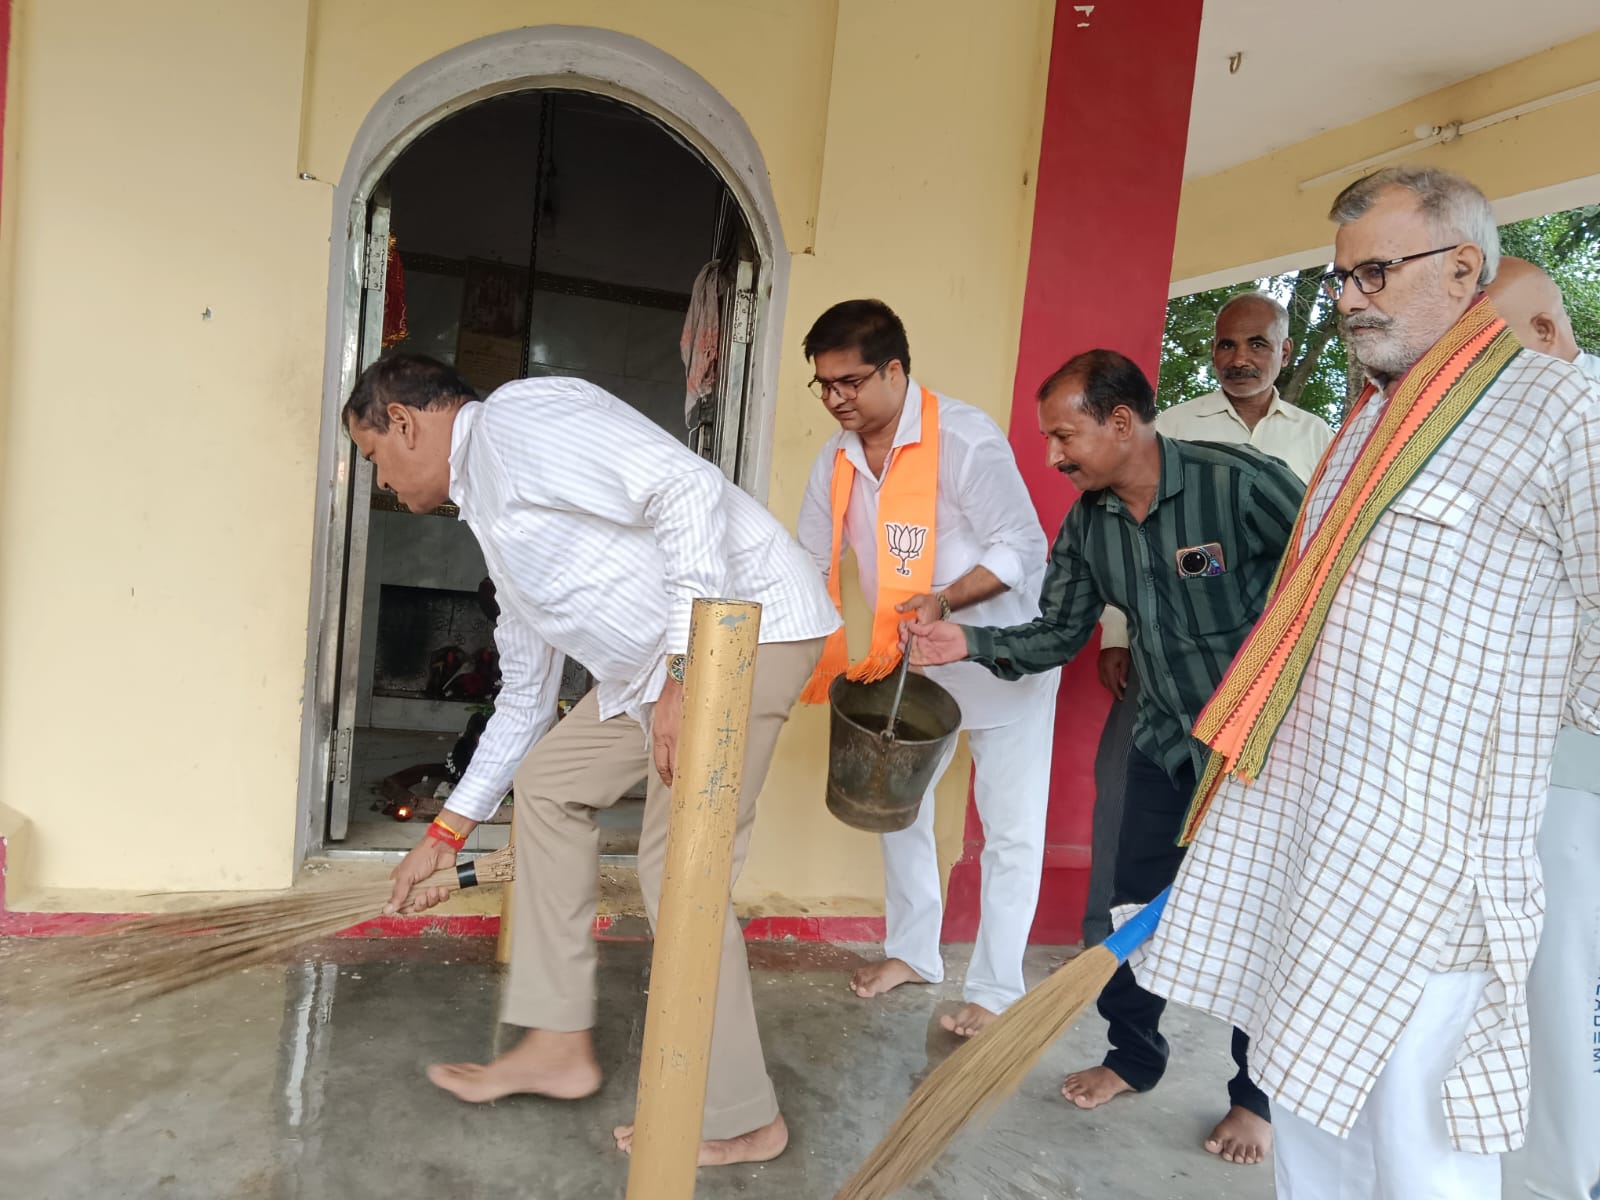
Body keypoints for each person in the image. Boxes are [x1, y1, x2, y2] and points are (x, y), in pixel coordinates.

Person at [1131, 166, 1600, 1200]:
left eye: (1373, 273)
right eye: (1340, 276)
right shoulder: (1367, 426)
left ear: (1464, 269)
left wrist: (1543, 707)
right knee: (1308, 1125)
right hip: (1311, 843)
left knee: (1419, 1153)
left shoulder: (1560, 406)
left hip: (1428, 867)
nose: (1348, 298)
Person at [350, 354, 841, 1166]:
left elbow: (684, 486)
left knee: (678, 866)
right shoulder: (492, 515)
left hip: (749, 632)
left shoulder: (518, 420)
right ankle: (556, 1044)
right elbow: (523, 697)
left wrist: (689, 671)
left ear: (402, 422)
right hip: (653, 674)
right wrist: (445, 833)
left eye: (374, 457)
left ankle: (742, 1116)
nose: (383, 481)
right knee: (549, 783)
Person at [905, 348, 1306, 1164]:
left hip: (1267, 750)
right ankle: (1135, 1055)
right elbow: (1058, 633)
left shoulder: (1240, 484)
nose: (1055, 456)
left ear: (1122, 423)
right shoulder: (1089, 525)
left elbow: (1333, 576)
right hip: (1164, 741)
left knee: (1270, 921)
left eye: (1065, 436)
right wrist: (967, 641)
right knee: (1129, 909)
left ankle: (1255, 1097)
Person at [795, 300, 1057, 1038]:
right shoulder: (837, 459)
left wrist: (944, 601)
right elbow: (809, 559)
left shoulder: (963, 439)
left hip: (1000, 655)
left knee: (1009, 828)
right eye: (824, 385)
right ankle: (914, 952)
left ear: (894, 371)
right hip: (909, 659)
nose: (835, 399)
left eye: (850, 381)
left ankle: (997, 988)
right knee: (894, 804)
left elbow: (1022, 545)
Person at [1087, 294, 1334, 952]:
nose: (1240, 358)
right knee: (1128, 794)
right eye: (1227, 344)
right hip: (1166, 652)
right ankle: (1106, 950)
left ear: (1285, 351)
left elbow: (1322, 551)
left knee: (1257, 810)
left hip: (1271, 668)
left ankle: (1220, 953)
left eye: (1258, 345)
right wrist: (1117, 634)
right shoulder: (1171, 428)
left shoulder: (1318, 440)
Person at [1487, 257, 1600, 1200]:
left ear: (1543, 333)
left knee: (1563, 986)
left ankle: (1565, 1177)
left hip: (1572, 758)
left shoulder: (1584, 419)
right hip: (1504, 759)